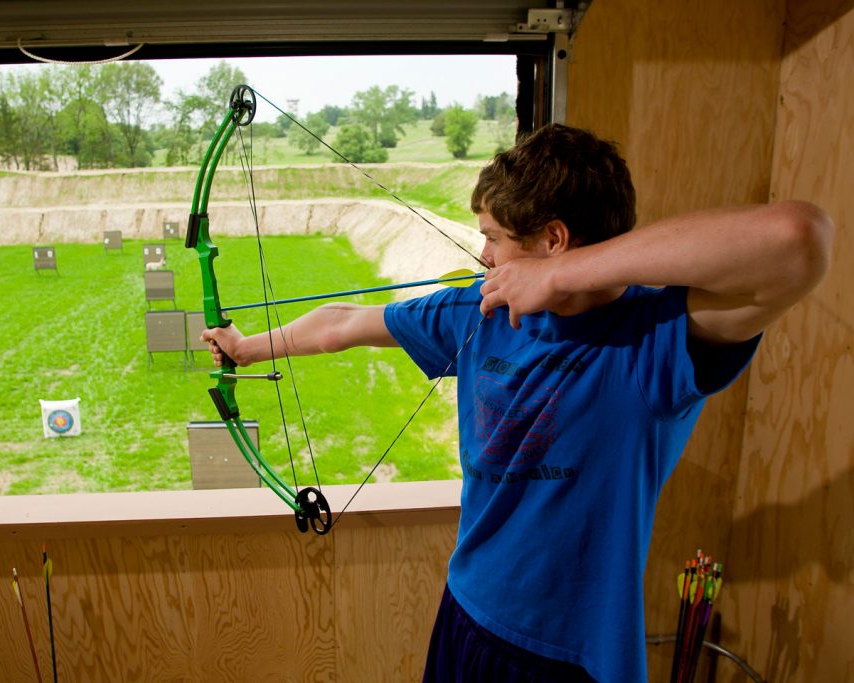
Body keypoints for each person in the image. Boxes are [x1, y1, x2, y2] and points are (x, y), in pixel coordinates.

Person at [201, 124, 833, 682]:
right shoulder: (480, 314)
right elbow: (342, 323)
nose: (484, 255)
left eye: (496, 237)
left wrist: (563, 276)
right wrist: (249, 348)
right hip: (468, 613)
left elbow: (798, 238)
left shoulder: (652, 342)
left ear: (554, 240)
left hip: (570, 657)